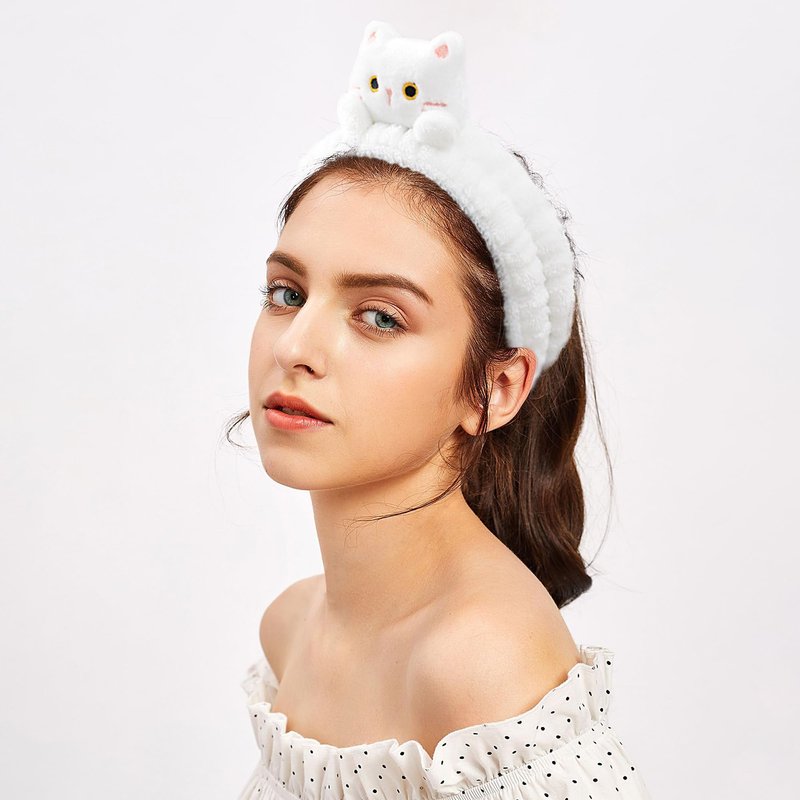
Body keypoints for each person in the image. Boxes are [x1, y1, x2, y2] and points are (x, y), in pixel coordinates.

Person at [227, 20, 652, 800]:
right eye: (287, 293)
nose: (297, 346)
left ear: (496, 389)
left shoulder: (485, 666)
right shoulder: (290, 629)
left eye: (379, 316)